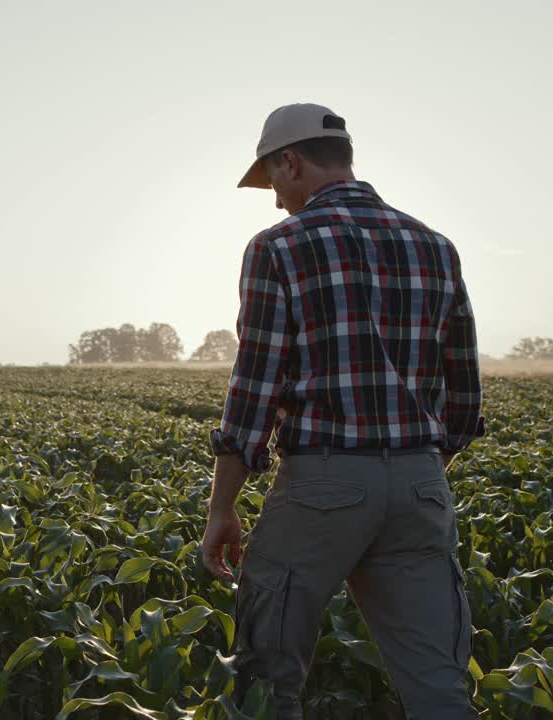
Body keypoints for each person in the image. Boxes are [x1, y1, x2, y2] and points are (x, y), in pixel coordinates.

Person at [201, 103, 486, 719]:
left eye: (273, 181)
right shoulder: (435, 245)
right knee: (438, 686)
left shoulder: (279, 247)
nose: (276, 200)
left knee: (267, 675)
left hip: (324, 481)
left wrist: (222, 507)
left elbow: (255, 387)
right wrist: (414, 473)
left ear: (291, 161)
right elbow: (463, 394)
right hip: (422, 481)